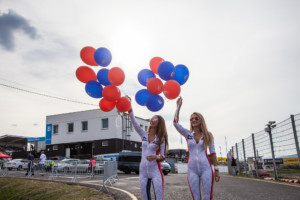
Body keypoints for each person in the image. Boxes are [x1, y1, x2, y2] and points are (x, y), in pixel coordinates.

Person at [173, 97, 220, 200]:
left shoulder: (208, 135)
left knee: (208, 197)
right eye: (191, 119)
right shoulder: (188, 134)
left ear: (201, 120)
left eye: (196, 118)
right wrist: (178, 107)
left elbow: (212, 153)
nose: (193, 120)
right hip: (192, 169)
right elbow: (175, 123)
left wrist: (216, 169)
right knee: (196, 197)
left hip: (206, 168)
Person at [127, 96, 168, 200]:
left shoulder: (161, 139)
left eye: (155, 119)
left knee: (159, 197)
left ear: (159, 123)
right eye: (152, 118)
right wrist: (129, 106)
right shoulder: (144, 134)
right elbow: (135, 123)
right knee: (145, 197)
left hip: (155, 171)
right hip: (143, 170)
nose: (152, 120)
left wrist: (156, 157)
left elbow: (162, 156)